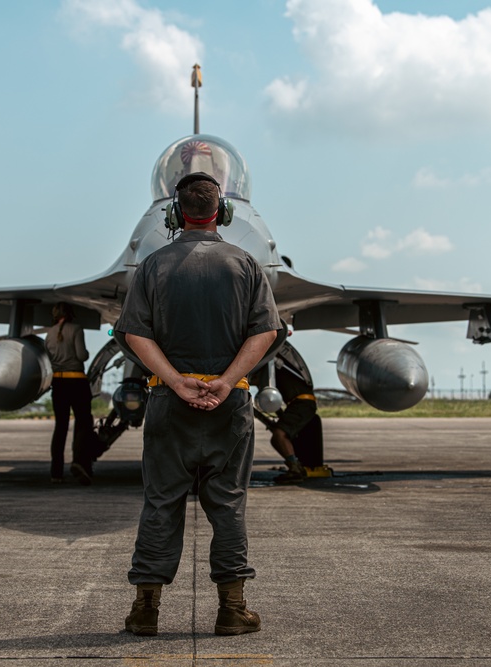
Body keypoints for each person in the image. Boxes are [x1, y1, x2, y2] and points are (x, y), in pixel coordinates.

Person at [115, 171, 283, 637]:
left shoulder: (152, 267)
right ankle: (232, 610)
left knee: (160, 503)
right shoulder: (246, 265)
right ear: (221, 213)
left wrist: (175, 381)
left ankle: (144, 611)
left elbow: (133, 333)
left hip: (169, 405)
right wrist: (227, 382)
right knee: (228, 505)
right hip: (230, 407)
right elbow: (266, 332)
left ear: (176, 213)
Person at [250, 345, 317, 484]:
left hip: (302, 404)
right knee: (279, 434)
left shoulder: (272, 361)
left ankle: (295, 469)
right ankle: (296, 466)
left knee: (279, 436)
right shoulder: (280, 362)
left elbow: (256, 380)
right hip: (301, 403)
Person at [43, 302, 94, 485]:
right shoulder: (76, 329)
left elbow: (48, 358)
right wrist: (85, 353)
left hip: (59, 383)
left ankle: (56, 472)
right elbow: (82, 355)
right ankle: (80, 463)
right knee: (83, 423)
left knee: (61, 426)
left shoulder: (49, 334)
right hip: (77, 381)